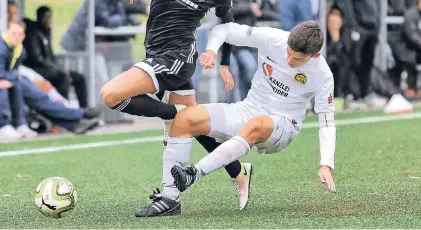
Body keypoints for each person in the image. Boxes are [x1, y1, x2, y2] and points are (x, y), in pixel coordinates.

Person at [100, 0, 252, 208]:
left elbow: (227, 27)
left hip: (177, 58)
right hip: (154, 52)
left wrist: (224, 63)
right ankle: (238, 170)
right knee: (193, 124)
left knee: (110, 95)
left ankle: (173, 113)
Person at [136, 21, 337, 217]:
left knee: (257, 124)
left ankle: (194, 173)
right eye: (288, 53)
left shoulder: (323, 75)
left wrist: (326, 163)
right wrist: (212, 51)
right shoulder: (272, 38)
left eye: (298, 59)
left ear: (316, 54)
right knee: (185, 118)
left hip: (284, 125)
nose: (290, 60)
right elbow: (224, 29)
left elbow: (327, 122)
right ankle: (170, 200)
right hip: (248, 109)